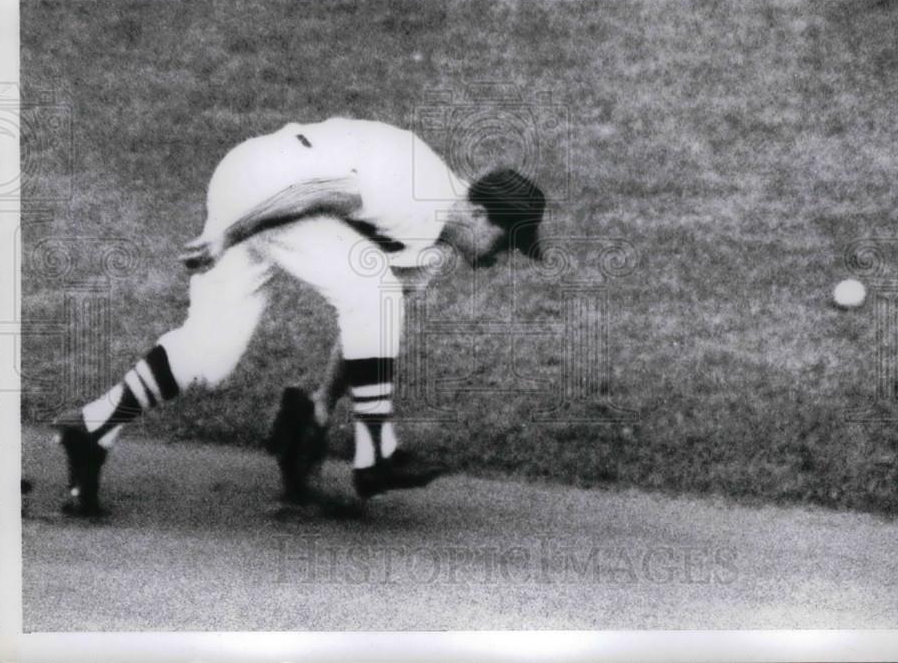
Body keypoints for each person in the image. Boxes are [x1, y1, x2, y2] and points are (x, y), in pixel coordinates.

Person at [53, 116, 546, 516]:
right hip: (264, 187)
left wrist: (323, 405)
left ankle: (92, 428)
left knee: (211, 351)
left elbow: (366, 330)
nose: (504, 258)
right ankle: (377, 452)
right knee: (372, 287)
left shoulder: (432, 251)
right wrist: (229, 233)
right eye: (507, 243)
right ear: (480, 215)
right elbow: (316, 194)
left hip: (269, 199)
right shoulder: (415, 191)